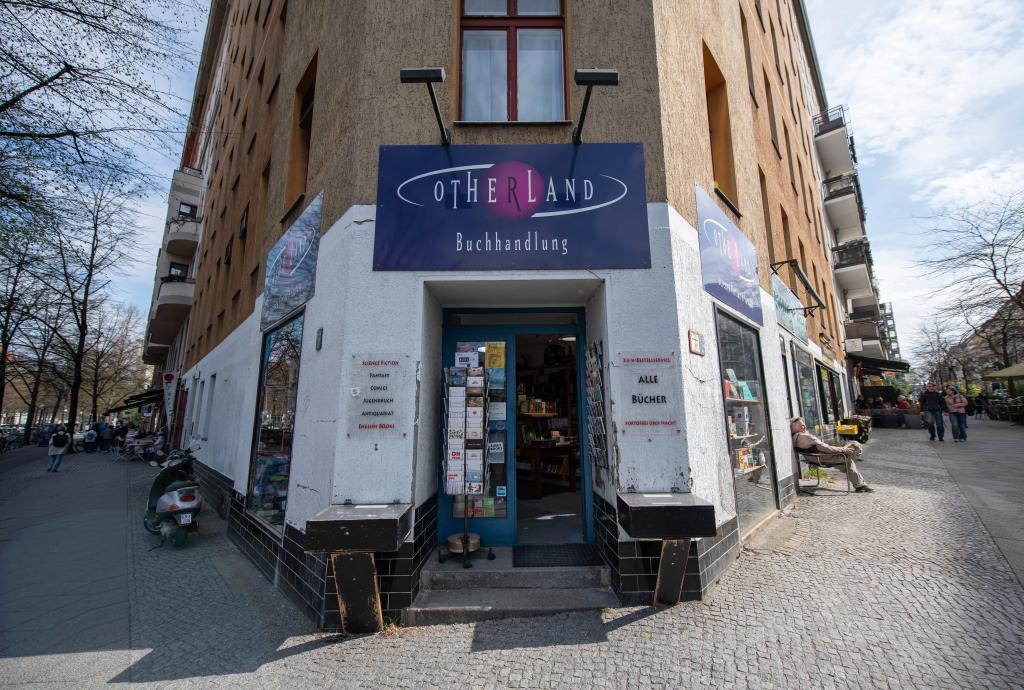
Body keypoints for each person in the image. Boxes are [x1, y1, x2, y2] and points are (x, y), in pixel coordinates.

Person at [791, 417, 874, 492]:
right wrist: (843, 449)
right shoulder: (806, 437)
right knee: (855, 445)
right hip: (825, 458)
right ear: (794, 427)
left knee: (848, 462)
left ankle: (860, 485)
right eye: (801, 425)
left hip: (817, 459)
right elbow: (827, 449)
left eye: (804, 424)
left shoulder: (796, 437)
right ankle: (859, 482)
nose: (804, 426)